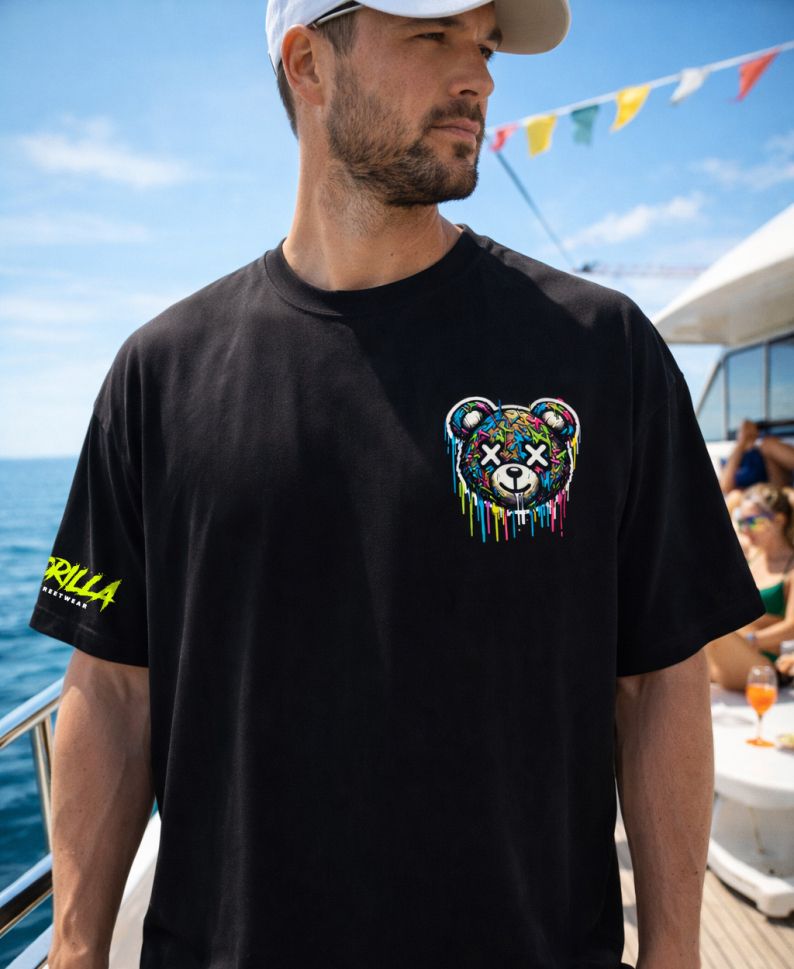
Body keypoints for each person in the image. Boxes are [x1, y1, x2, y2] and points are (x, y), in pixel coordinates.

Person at [29, 3, 766, 968]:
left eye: (485, 44)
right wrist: (75, 948)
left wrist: (673, 950)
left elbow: (660, 674)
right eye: (432, 35)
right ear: (308, 63)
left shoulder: (600, 351)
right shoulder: (159, 375)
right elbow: (113, 687)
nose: (480, 77)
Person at [705, 483, 794, 691]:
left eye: (753, 522)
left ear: (779, 520)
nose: (746, 530)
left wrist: (751, 639)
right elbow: (718, 524)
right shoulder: (752, 555)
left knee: (708, 620)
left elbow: (791, 627)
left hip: (762, 661)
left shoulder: (791, 568)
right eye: (741, 522)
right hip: (730, 653)